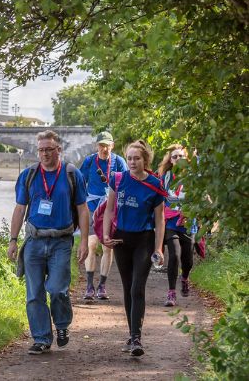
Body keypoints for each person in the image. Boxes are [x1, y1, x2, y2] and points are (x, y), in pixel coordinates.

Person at [7, 130, 89, 355]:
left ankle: (62, 325)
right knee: (34, 293)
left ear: (58, 150)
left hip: (61, 241)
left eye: (48, 150)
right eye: (41, 150)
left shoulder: (72, 174)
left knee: (57, 289)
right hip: (34, 241)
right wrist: (13, 240)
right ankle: (42, 338)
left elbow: (83, 209)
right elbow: (19, 208)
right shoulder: (29, 175)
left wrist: (83, 242)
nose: (44, 154)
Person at [102, 140, 165, 357]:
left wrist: (159, 248)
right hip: (121, 240)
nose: (132, 162)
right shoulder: (118, 179)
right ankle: (131, 334)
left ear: (145, 160)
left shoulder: (155, 184)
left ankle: (136, 338)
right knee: (128, 286)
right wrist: (106, 235)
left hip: (144, 240)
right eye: (129, 158)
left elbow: (160, 219)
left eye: (136, 158)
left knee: (138, 287)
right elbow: (109, 210)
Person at [79, 131, 128, 301]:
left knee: (108, 246)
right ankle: (89, 286)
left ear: (112, 146)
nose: (104, 148)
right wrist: (78, 205)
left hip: (111, 209)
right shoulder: (89, 161)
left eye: (107, 145)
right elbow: (80, 183)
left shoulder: (119, 162)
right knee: (92, 244)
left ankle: (102, 286)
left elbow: (127, 184)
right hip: (92, 208)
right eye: (101, 145)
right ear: (97, 146)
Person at [158, 144, 192, 306]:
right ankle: (171, 293)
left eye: (181, 156)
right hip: (170, 222)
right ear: (170, 160)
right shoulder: (165, 177)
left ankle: (185, 278)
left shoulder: (193, 177)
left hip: (188, 222)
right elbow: (159, 198)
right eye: (174, 156)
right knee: (175, 255)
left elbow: (201, 199)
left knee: (188, 260)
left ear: (186, 159)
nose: (178, 159)